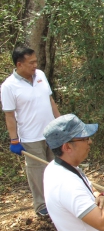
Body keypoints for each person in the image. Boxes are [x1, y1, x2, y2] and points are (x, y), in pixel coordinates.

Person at [1, 46, 60, 216]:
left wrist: (61, 123)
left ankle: (58, 200)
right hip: (31, 137)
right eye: (31, 63)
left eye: (35, 62)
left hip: (52, 132)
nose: (35, 65)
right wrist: (14, 140)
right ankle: (41, 205)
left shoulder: (40, 75)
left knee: (57, 167)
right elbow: (9, 115)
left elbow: (50, 100)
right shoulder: (8, 86)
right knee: (37, 172)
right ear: (19, 64)